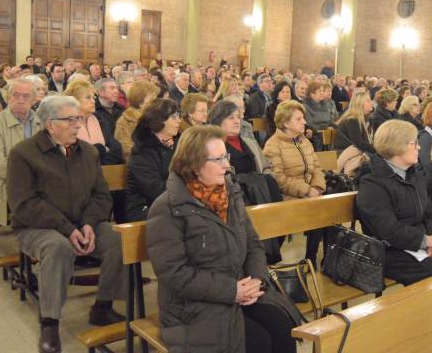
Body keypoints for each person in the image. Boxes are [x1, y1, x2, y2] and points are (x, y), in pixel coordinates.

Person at [145, 125, 299, 353]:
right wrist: (231, 290)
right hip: (193, 305)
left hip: (241, 289)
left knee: (282, 325)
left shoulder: (230, 193)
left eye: (225, 156)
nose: (227, 165)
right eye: (218, 159)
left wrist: (257, 279)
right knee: (256, 341)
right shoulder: (168, 207)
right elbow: (174, 273)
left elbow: (253, 244)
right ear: (194, 164)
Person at [7, 95, 126, 353]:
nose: (77, 125)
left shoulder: (88, 152)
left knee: (118, 240)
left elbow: (101, 195)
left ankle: (102, 307)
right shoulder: (23, 154)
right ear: (50, 125)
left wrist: (89, 224)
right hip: (36, 227)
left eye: (79, 119)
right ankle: (49, 322)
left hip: (82, 223)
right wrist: (68, 229)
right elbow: (25, 204)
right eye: (71, 120)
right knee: (58, 247)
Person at [356, 120, 432, 286]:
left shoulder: (413, 174)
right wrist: (426, 241)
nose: (419, 147)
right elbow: (388, 230)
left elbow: (431, 212)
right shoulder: (372, 183)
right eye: (414, 143)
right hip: (392, 252)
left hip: (422, 243)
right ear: (396, 146)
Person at [262, 101, 326, 263]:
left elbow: (317, 167)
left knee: (330, 210)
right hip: (286, 195)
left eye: (303, 118)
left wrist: (317, 187)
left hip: (310, 193)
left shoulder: (304, 141)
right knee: (318, 209)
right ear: (285, 123)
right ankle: (271, 262)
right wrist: (306, 190)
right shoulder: (273, 145)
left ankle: (315, 257)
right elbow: (278, 179)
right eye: (298, 119)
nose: (304, 122)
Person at [0, 78, 43, 227]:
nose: (20, 99)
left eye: (26, 96)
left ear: (34, 100)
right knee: (37, 199)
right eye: (16, 95)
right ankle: (35, 238)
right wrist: (28, 177)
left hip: (38, 180)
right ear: (8, 98)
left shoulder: (41, 123)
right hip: (3, 183)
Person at [124, 99, 181, 221]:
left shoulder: (180, 144)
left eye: (178, 116)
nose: (179, 121)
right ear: (159, 120)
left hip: (177, 202)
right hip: (147, 207)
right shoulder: (141, 152)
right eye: (173, 117)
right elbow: (155, 190)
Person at [64, 81, 123, 165]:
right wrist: (101, 149)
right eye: (88, 98)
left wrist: (100, 163)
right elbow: (72, 154)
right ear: (74, 100)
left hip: (104, 170)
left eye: (93, 97)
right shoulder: (66, 123)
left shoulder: (99, 119)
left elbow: (116, 148)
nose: (93, 101)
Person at [114, 81, 159, 161]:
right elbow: (126, 150)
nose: (156, 104)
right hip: (140, 164)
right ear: (140, 102)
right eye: (152, 101)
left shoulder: (156, 117)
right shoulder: (125, 121)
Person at [303, 81, 338, 146]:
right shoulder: (306, 106)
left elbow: (330, 120)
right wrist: (326, 127)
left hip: (326, 134)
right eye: (320, 91)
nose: (322, 93)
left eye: (323, 91)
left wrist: (333, 126)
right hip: (314, 136)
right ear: (312, 93)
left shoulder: (325, 104)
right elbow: (310, 125)